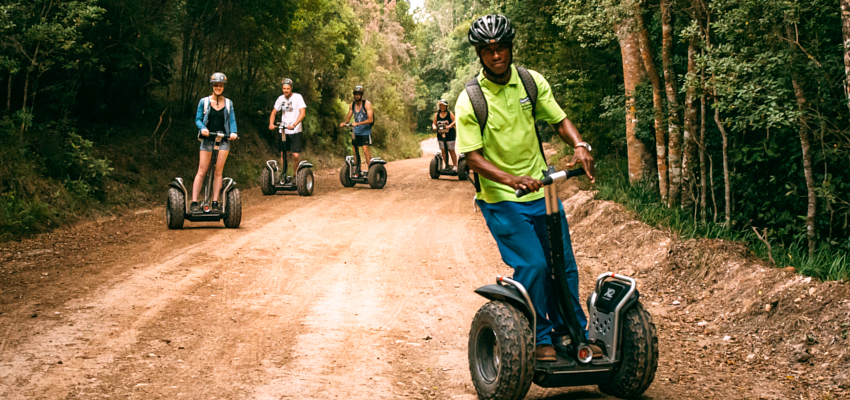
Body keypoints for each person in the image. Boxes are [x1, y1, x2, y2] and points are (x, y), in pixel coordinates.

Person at [455, 14, 599, 362]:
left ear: (511, 47)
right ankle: (538, 338)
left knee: (563, 265)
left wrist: (580, 145)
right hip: (501, 198)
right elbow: (472, 158)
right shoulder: (470, 99)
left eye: (501, 47)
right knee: (534, 265)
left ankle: (572, 331)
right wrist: (511, 179)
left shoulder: (530, 82)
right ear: (479, 54)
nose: (496, 55)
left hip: (543, 193)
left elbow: (559, 119)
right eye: (487, 50)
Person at [192, 72, 238, 213]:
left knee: (218, 172)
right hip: (207, 139)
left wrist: (234, 132)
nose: (219, 88)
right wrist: (203, 128)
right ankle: (194, 201)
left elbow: (232, 120)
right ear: (212, 86)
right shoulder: (204, 102)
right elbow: (198, 119)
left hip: (223, 140)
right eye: (216, 85)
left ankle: (215, 202)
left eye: (221, 85)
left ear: (224, 87)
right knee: (202, 169)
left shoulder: (228, 103)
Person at [268, 78, 307, 181]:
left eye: (288, 89)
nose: (286, 90)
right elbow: (273, 112)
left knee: (295, 154)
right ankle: (283, 174)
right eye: (284, 88)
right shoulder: (280, 99)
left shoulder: (298, 97)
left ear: (291, 88)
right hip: (284, 131)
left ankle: (295, 175)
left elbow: (302, 113)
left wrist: (294, 125)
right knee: (283, 153)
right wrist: (271, 124)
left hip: (295, 130)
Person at [339, 86, 374, 177]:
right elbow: (349, 116)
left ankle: (371, 170)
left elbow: (370, 119)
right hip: (356, 131)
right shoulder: (352, 105)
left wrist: (358, 124)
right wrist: (345, 123)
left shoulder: (366, 104)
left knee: (365, 149)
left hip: (365, 131)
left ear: (361, 95)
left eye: (359, 94)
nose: (357, 96)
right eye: (356, 94)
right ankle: (357, 170)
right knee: (355, 150)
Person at [431, 99, 457, 170]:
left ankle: (455, 165)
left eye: (444, 106)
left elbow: (455, 121)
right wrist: (434, 127)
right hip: (440, 134)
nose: (442, 107)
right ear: (440, 106)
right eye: (441, 106)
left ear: (446, 106)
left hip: (450, 134)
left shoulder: (450, 113)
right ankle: (447, 165)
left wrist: (449, 126)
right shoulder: (437, 115)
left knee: (451, 149)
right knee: (443, 150)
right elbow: (434, 123)